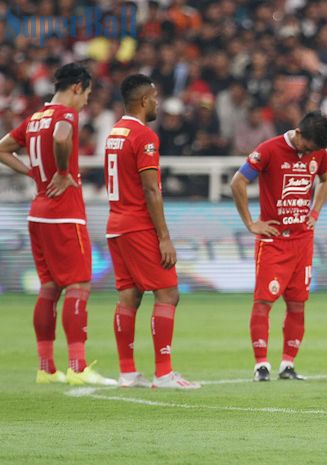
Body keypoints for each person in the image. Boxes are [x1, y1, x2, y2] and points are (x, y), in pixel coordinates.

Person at [0, 63, 115, 385]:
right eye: (87, 94)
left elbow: (3, 148)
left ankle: (46, 368)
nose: (86, 102)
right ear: (77, 87)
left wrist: (31, 173)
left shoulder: (35, 118)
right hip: (64, 213)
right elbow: (64, 136)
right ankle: (78, 368)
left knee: (50, 288)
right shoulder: (65, 115)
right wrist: (63, 173)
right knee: (78, 286)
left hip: (38, 212)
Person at [104, 74, 200, 389]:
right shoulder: (144, 136)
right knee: (168, 293)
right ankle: (163, 372)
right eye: (155, 97)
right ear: (144, 101)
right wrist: (164, 237)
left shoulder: (114, 133)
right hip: (137, 225)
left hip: (115, 224)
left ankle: (128, 373)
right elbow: (151, 190)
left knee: (129, 296)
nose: (157, 102)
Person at [231, 111, 327, 382]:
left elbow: (325, 179)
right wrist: (251, 223)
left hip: (302, 241)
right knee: (264, 302)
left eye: (313, 150)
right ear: (298, 133)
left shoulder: (318, 152)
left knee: (298, 305)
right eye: (306, 147)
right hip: (273, 241)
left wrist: (315, 212)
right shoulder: (268, 150)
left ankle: (287, 365)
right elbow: (237, 181)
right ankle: (261, 365)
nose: (308, 153)